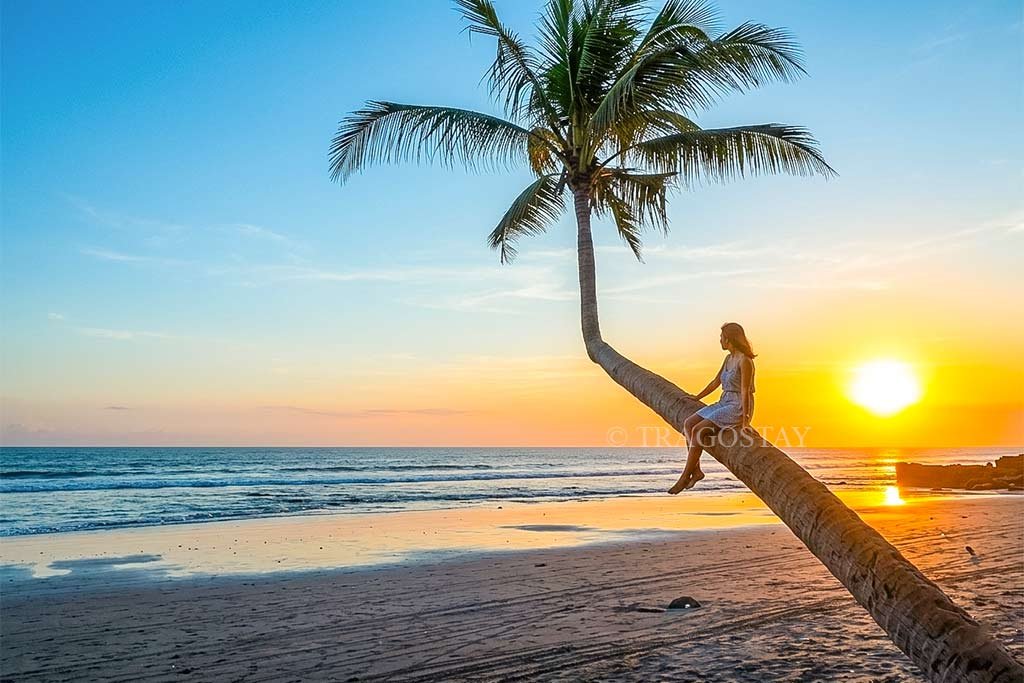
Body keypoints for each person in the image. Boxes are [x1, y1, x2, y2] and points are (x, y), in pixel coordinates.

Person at [669, 322, 756, 494]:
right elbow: (716, 382)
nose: (720, 341)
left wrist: (745, 421)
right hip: (724, 400)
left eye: (721, 338)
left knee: (699, 430)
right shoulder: (728, 359)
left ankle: (685, 476)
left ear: (729, 339)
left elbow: (745, 391)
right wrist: (697, 397)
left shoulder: (744, 361)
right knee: (688, 424)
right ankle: (697, 471)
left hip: (737, 405)